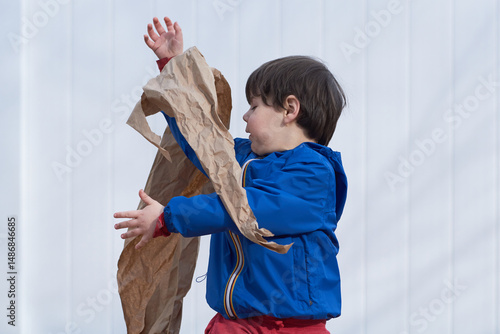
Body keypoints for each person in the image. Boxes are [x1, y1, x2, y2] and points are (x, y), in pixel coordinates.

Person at [114, 16, 348, 334]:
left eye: (254, 106)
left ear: (289, 110)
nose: (244, 116)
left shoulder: (313, 176)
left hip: (294, 327)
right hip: (235, 323)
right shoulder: (242, 157)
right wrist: (173, 68)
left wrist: (168, 217)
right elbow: (200, 140)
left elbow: (245, 208)